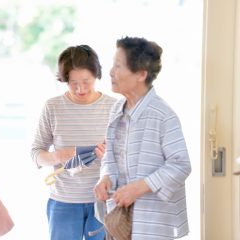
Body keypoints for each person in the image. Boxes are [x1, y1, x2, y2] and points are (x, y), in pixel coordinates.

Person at [94, 36, 192, 239]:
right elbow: (110, 157)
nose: (111, 72)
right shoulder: (116, 110)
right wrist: (106, 178)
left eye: (118, 66)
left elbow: (181, 165)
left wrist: (139, 188)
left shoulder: (163, 115)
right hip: (120, 219)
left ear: (141, 74)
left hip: (153, 221)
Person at [31, 44, 117, 240]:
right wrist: (58, 156)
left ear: (96, 75)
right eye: (72, 82)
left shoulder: (114, 107)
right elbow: (36, 153)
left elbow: (127, 156)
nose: (80, 89)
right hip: (63, 202)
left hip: (104, 200)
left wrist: (110, 156)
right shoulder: (52, 107)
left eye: (86, 81)